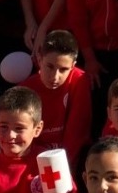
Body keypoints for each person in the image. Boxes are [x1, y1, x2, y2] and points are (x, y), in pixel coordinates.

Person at [19, 30, 92, 162]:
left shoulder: (80, 80)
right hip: (36, 156)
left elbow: (77, 129)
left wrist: (64, 164)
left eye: (63, 69)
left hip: (69, 156)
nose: (55, 76)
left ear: (73, 66)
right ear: (40, 59)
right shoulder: (26, 88)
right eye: (50, 67)